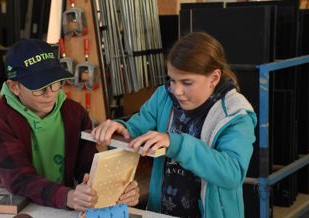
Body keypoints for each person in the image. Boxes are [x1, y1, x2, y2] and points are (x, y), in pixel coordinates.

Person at [91, 32, 257, 218]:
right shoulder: (164, 96)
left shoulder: (235, 114)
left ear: (214, 78)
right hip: (160, 212)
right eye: (172, 80)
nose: (177, 90)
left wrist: (175, 143)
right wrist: (122, 128)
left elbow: (232, 173)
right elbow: (138, 126)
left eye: (187, 82)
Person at [0, 39, 139, 211]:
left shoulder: (74, 113)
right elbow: (19, 178)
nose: (49, 94)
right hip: (14, 205)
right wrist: (67, 196)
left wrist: (114, 187)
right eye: (39, 87)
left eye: (55, 83)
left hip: (58, 206)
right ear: (14, 87)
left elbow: (86, 166)